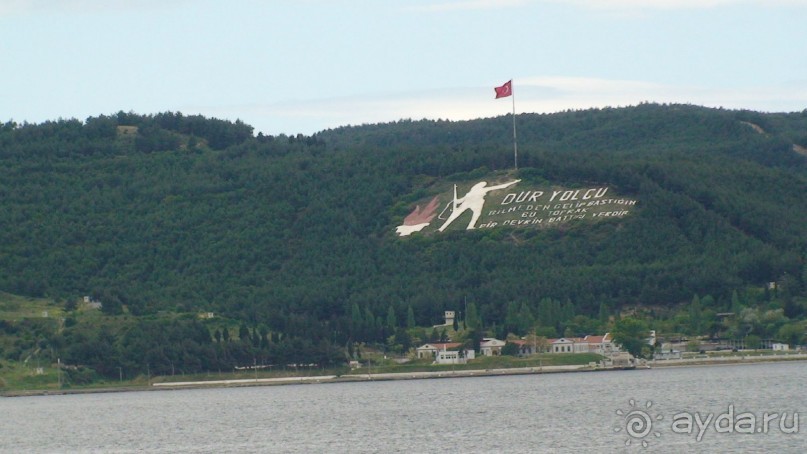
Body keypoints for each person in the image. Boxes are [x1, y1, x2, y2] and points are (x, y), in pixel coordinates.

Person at [438, 179, 520, 231]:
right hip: (471, 202)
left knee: (474, 214)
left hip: (475, 203)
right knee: (456, 215)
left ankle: (469, 226)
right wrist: (456, 201)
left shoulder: (473, 192)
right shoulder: (473, 192)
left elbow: (501, 186)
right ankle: (442, 228)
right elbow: (460, 201)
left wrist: (513, 182)